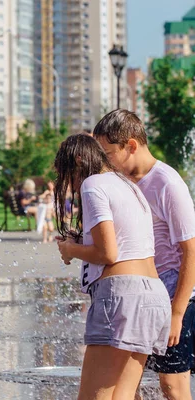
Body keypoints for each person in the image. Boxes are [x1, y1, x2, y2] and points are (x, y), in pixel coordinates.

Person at [54, 134, 171, 399]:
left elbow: (108, 253)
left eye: (68, 175)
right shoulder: (127, 184)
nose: (71, 184)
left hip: (121, 296)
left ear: (80, 161)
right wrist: (80, 240)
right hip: (153, 295)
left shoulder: (93, 184)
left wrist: (70, 249)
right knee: (123, 396)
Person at [93, 109, 195, 399]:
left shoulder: (167, 183)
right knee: (127, 381)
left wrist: (177, 312)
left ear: (132, 146)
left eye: (108, 153)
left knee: (172, 386)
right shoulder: (121, 181)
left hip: (175, 295)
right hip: (139, 295)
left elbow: (191, 251)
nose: (105, 161)